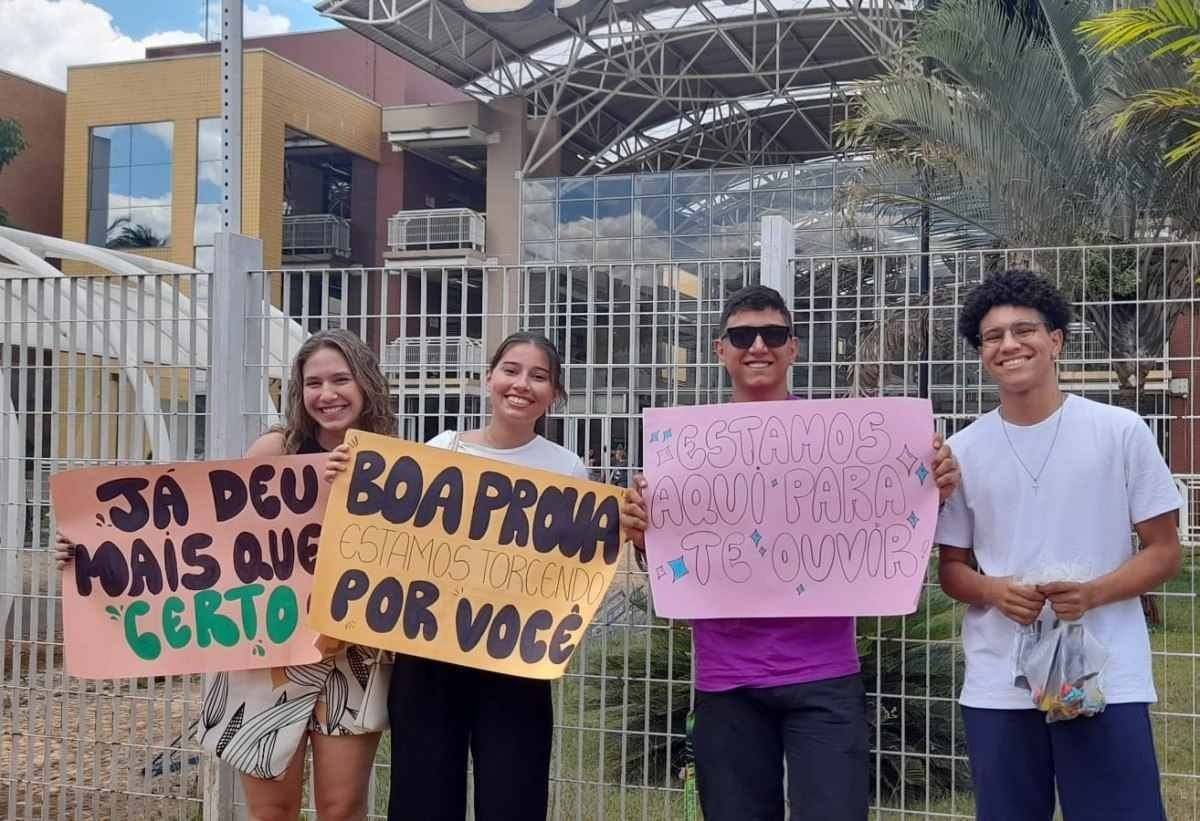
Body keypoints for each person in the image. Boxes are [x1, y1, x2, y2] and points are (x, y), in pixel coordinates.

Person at [620, 285, 960, 821]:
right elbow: (665, 553)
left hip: (823, 676)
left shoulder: (846, 446)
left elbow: (894, 518)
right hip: (725, 682)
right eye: (742, 335)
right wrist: (643, 534)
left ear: (793, 348)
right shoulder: (686, 451)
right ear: (721, 350)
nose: (759, 345)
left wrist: (930, 485)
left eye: (773, 334)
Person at [56, 328, 397, 821]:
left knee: (343, 808)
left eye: (340, 379)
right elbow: (205, 535)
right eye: (313, 382)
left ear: (365, 383)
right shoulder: (275, 450)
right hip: (265, 650)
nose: (327, 394)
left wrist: (363, 483)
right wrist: (89, 549)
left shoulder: (395, 462)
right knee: (270, 811)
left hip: (351, 655)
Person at [935, 269, 1181, 821]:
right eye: (992, 337)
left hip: (1105, 677)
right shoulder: (962, 451)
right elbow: (951, 569)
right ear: (981, 353)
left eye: (1024, 330)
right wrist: (995, 591)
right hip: (1002, 679)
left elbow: (1165, 551)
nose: (1010, 345)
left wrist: (1092, 593)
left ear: (1056, 341)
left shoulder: (1119, 431)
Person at [327, 331, 588, 821]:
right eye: (511, 370)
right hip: (429, 653)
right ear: (489, 377)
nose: (521, 384)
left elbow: (574, 571)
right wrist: (345, 472)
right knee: (422, 794)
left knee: (514, 796)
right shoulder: (440, 449)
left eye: (538, 376)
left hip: (515, 660)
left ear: (554, 394)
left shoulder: (568, 470)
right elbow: (389, 534)